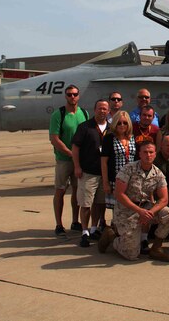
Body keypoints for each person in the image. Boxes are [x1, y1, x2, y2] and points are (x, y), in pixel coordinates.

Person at [97, 141, 169, 261]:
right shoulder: (128, 169)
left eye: (151, 152)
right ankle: (112, 236)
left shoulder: (158, 173)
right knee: (131, 254)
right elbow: (119, 194)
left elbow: (164, 199)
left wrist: (150, 212)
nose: (148, 155)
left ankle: (156, 248)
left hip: (146, 208)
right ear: (139, 154)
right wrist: (139, 211)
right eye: (145, 152)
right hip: (126, 210)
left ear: (155, 154)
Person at [49, 84, 87, 236]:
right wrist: (72, 154)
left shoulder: (84, 113)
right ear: (66, 96)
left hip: (80, 160)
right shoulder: (58, 114)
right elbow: (54, 139)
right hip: (64, 160)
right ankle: (59, 224)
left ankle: (75, 221)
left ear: (78, 96)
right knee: (60, 190)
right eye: (69, 94)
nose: (72, 97)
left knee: (78, 192)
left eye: (75, 94)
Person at [72, 99, 110, 247]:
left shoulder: (111, 128)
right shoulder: (85, 127)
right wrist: (77, 167)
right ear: (94, 110)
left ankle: (94, 228)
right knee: (86, 204)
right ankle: (84, 232)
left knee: (99, 203)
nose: (102, 111)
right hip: (88, 172)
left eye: (105, 109)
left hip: (103, 173)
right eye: (100, 108)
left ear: (108, 111)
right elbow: (75, 148)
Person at [100, 111, 135, 216]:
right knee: (117, 210)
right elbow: (104, 162)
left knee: (130, 208)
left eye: (125, 123)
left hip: (131, 180)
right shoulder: (109, 138)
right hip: (115, 180)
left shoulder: (132, 138)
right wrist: (105, 182)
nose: (122, 125)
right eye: (119, 123)